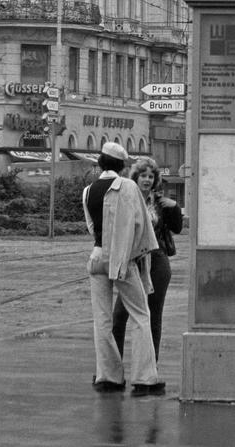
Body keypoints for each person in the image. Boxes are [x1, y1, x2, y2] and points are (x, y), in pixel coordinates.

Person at [82, 141, 162, 396]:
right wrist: (138, 254)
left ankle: (108, 376)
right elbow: (141, 226)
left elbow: (92, 228)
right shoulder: (128, 187)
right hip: (123, 259)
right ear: (121, 165)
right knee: (140, 315)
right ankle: (145, 379)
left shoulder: (87, 191)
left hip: (96, 258)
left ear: (100, 163)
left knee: (102, 320)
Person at [112, 156, 184, 360]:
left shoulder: (161, 204)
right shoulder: (126, 199)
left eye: (151, 176)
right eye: (143, 175)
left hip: (157, 261)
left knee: (153, 315)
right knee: (118, 316)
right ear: (135, 177)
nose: (147, 180)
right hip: (132, 261)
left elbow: (177, 228)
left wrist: (173, 208)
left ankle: (151, 365)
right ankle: (114, 366)